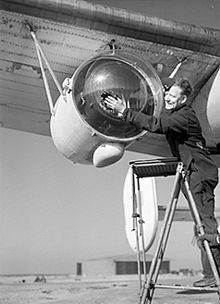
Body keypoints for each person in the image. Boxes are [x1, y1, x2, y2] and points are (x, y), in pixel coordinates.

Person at [103, 78, 220, 287]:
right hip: (195, 172)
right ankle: (212, 273)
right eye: (167, 95)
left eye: (173, 97)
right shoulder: (178, 112)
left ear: (183, 99)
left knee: (206, 226)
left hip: (199, 174)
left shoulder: (184, 115)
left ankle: (215, 274)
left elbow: (156, 124)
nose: (168, 99)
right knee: (201, 225)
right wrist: (163, 94)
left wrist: (125, 112)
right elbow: (163, 116)